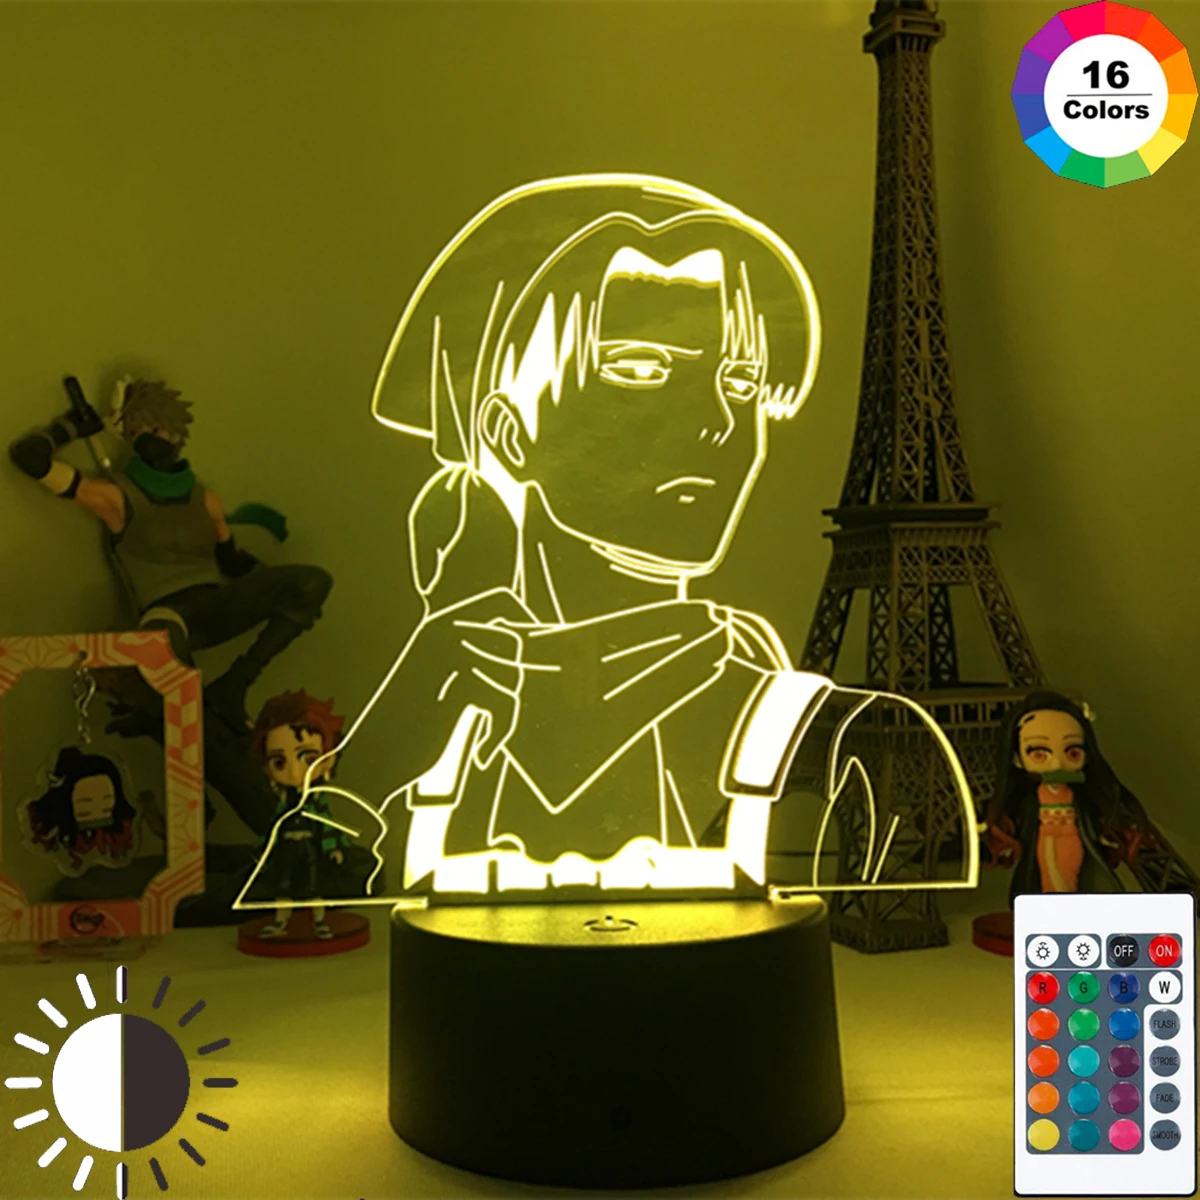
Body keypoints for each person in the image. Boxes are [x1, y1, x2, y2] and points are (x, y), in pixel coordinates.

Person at [240, 175, 977, 907]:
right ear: (507, 431)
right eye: (639, 369)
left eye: (742, 382)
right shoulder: (447, 699)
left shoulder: (835, 741)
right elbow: (318, 890)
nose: (719, 423)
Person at [7, 378, 333, 731]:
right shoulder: (116, 498)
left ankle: (235, 685)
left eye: (160, 430)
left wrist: (280, 593)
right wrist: (69, 427)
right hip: (165, 615)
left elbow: (234, 563)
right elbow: (29, 457)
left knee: (312, 582)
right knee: (175, 676)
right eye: (141, 431)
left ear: (177, 434)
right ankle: (197, 726)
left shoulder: (205, 499)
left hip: (214, 604)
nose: (154, 438)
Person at [984, 691, 1141, 905]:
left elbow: (1092, 819)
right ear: (1016, 758)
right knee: (1048, 880)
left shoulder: (1080, 799)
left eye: (1073, 753)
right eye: (1039, 754)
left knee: (1073, 879)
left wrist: (1104, 833)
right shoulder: (1030, 801)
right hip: (1044, 841)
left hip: (1073, 840)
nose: (1057, 764)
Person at [247, 690, 351, 939]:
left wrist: (333, 848)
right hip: (286, 849)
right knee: (282, 888)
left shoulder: (317, 800)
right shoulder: (283, 802)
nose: (294, 772)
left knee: (313, 888)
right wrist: (263, 850)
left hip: (310, 848)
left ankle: (319, 922)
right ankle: (281, 923)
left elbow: (326, 824)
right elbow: (274, 826)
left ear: (328, 760)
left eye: (308, 757)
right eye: (279, 762)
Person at [24, 747, 137, 872]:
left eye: (107, 798)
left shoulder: (119, 834)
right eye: (85, 802)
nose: (97, 807)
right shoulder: (56, 837)